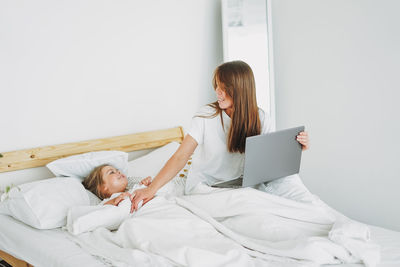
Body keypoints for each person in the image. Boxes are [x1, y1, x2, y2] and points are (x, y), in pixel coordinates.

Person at [131, 60, 309, 212]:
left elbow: (271, 160)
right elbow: (180, 156)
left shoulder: (261, 118)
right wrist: (151, 189)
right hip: (207, 188)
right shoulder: (206, 116)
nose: (218, 92)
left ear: (240, 91)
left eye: (224, 88)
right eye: (216, 86)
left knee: (278, 198)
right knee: (249, 206)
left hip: (241, 186)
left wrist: (297, 147)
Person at [82, 164, 152, 206]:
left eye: (117, 170)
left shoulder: (135, 187)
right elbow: (100, 210)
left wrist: (147, 184)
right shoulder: (109, 201)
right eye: (112, 172)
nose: (118, 172)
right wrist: (114, 201)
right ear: (102, 188)